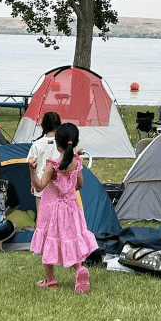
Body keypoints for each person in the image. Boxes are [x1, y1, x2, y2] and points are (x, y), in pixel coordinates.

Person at [28, 122, 98, 293]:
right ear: (75, 142)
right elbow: (79, 185)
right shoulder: (77, 162)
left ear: (57, 144)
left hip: (51, 209)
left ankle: (50, 280)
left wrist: (32, 170)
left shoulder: (53, 165)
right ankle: (79, 270)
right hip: (71, 209)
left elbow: (39, 186)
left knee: (48, 241)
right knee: (71, 238)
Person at [26, 111, 62, 213]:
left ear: (44, 125)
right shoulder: (62, 143)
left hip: (41, 186)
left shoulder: (37, 144)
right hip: (59, 187)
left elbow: (31, 165)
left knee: (41, 217)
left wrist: (33, 184)